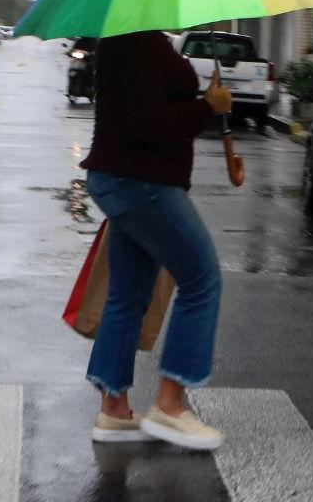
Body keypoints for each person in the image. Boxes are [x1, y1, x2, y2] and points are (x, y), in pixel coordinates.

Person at [79, 30, 233, 451]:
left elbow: (148, 109)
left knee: (128, 294)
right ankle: (171, 404)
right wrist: (207, 108)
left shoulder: (134, 39)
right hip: (142, 182)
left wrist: (203, 104)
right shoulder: (138, 41)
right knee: (202, 282)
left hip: (128, 180)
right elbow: (147, 122)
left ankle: (114, 410)